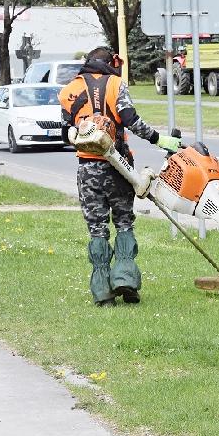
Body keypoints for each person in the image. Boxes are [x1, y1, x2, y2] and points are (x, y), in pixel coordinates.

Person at [59, 46, 180, 307]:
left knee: (97, 229)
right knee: (124, 221)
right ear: (112, 62)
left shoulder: (69, 90)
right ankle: (125, 276)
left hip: (88, 170)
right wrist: (159, 139)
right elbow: (130, 119)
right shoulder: (116, 85)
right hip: (119, 167)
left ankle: (102, 291)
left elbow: (65, 131)